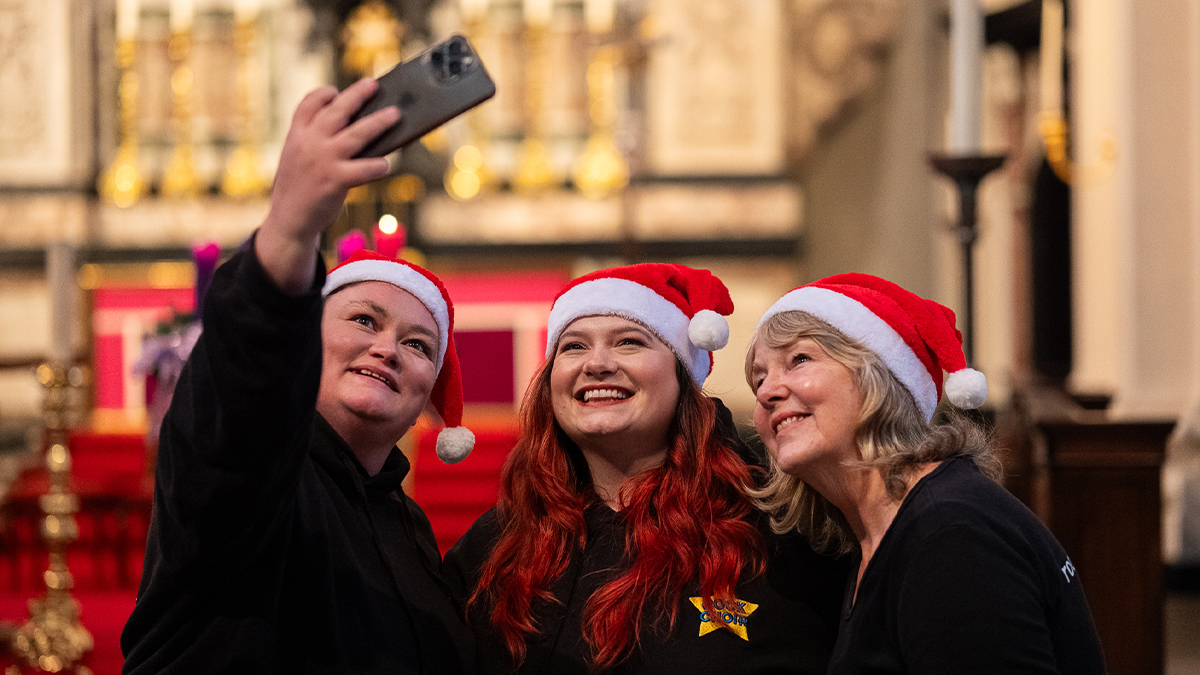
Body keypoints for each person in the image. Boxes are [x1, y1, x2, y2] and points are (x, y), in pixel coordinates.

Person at [121, 78, 476, 674]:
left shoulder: (408, 527)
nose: (387, 348)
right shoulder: (252, 469)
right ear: (301, 339)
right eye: (363, 320)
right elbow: (244, 390)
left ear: (427, 397)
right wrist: (287, 235)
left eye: (418, 345)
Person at [444, 264, 847, 674]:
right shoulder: (497, 545)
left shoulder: (781, 530)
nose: (597, 363)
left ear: (682, 376)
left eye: (629, 342)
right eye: (574, 347)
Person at [746, 272, 1107, 675]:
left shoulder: (949, 535)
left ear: (879, 378)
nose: (765, 392)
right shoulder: (882, 531)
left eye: (799, 360)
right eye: (759, 377)